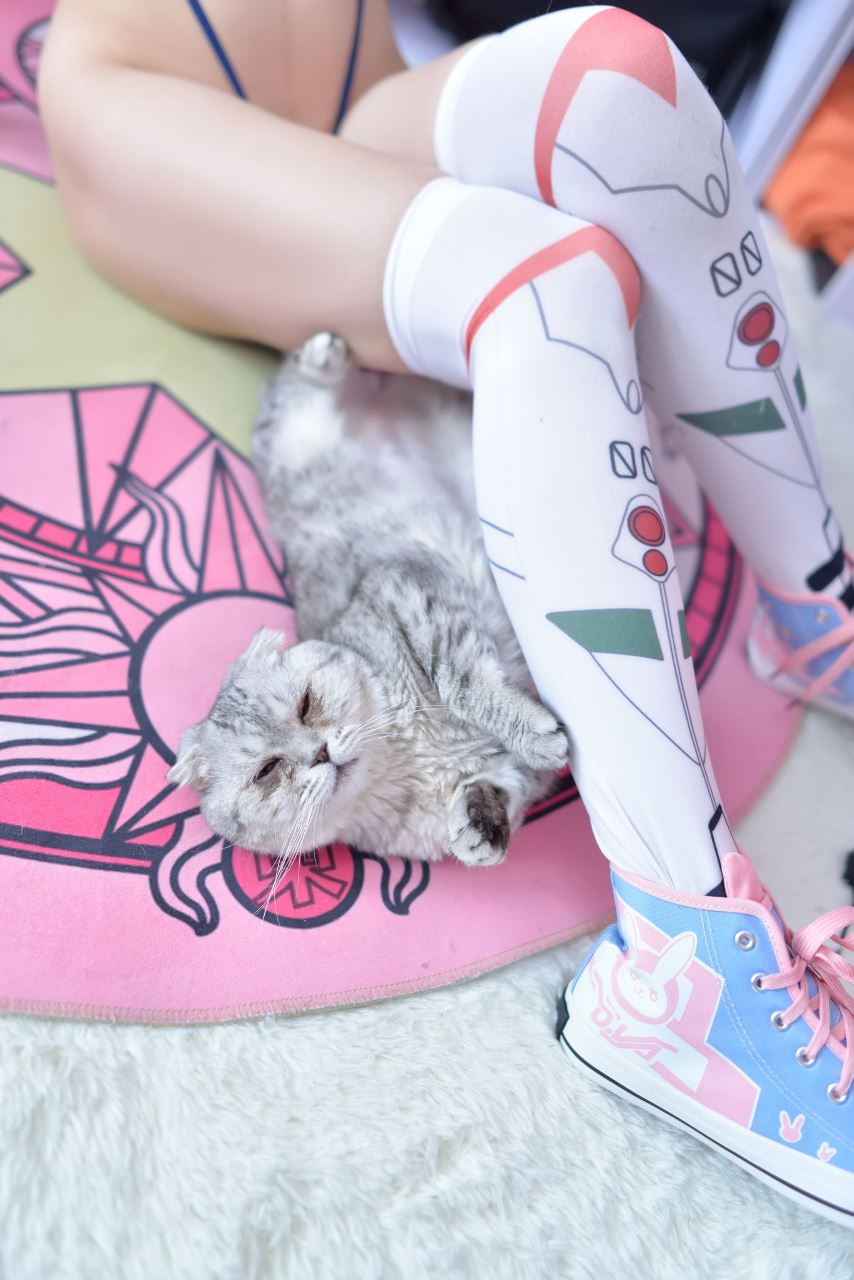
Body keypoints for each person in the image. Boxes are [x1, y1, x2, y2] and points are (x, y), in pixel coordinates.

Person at [40, 0, 854, 1226]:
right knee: (549, 288)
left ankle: (814, 608)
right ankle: (682, 967)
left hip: (359, 83)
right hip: (158, 111)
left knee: (626, 78)